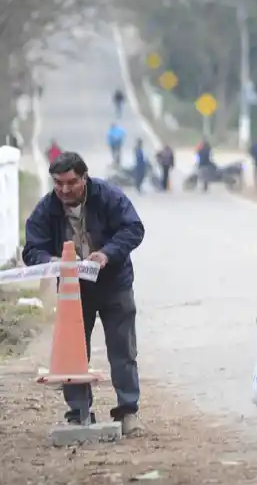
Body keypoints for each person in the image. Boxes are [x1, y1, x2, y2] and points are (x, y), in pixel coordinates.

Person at [22, 152, 145, 434]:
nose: (64, 190)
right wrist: (51, 261)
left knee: (123, 350)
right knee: (73, 353)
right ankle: (78, 412)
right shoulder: (47, 208)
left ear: (84, 178)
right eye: (58, 183)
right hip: (73, 293)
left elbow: (133, 228)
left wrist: (107, 253)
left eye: (71, 182)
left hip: (114, 284)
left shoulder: (108, 196)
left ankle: (128, 411)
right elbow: (32, 249)